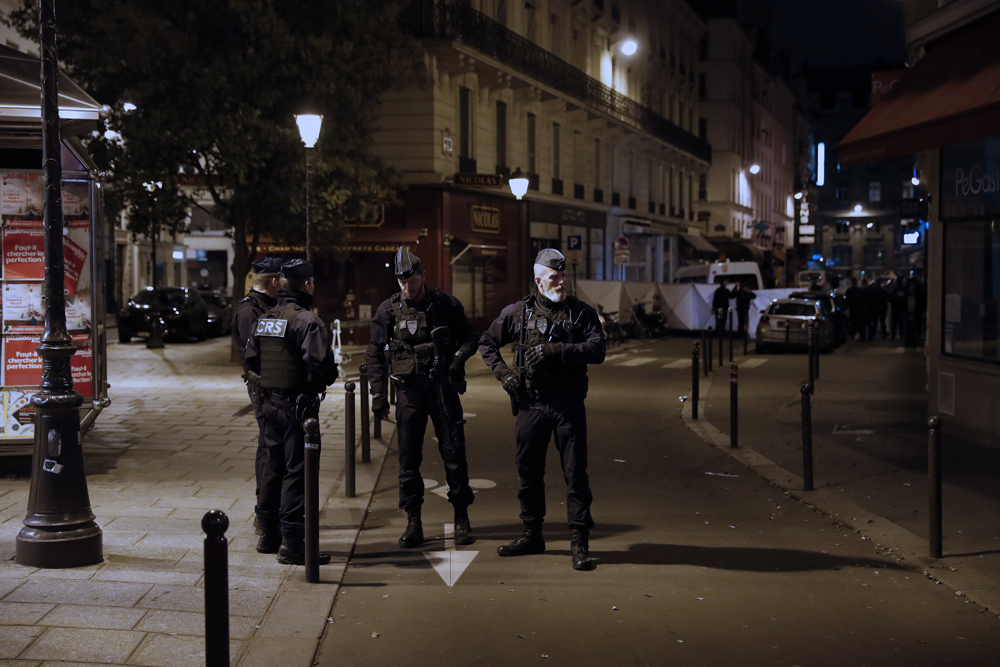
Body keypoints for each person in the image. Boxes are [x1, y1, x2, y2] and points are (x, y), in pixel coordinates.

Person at [479, 249, 607, 571]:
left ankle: (580, 542)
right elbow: (486, 343)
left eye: (563, 276)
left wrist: (557, 350)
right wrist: (506, 375)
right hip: (531, 403)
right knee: (529, 475)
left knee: (576, 474)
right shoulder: (517, 314)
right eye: (555, 277)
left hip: (567, 404)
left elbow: (598, 349)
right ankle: (531, 534)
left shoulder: (580, 313)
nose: (561, 282)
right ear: (539, 280)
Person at [366, 247, 478, 548]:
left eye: (412, 280)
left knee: (454, 454)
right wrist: (377, 394)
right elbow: (375, 353)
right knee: (408, 460)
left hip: (442, 389)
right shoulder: (388, 310)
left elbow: (470, 336)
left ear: (422, 276)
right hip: (409, 392)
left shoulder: (445, 304)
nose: (407, 287)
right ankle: (413, 521)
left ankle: (461, 517)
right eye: (402, 282)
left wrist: (457, 358)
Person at [244, 259, 339, 564]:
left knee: (273, 468)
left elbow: (252, 360)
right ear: (307, 285)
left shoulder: (266, 317)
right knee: (297, 472)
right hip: (298, 408)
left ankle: (268, 535)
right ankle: (293, 543)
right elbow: (322, 366)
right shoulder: (307, 321)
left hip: (268, 404)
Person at [231, 256, 283, 542]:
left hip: (273, 387)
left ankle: (270, 512)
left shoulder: (267, 306)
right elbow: (258, 355)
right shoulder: (250, 311)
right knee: (269, 452)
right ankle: (265, 516)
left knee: (272, 450)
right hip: (264, 390)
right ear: (274, 281)